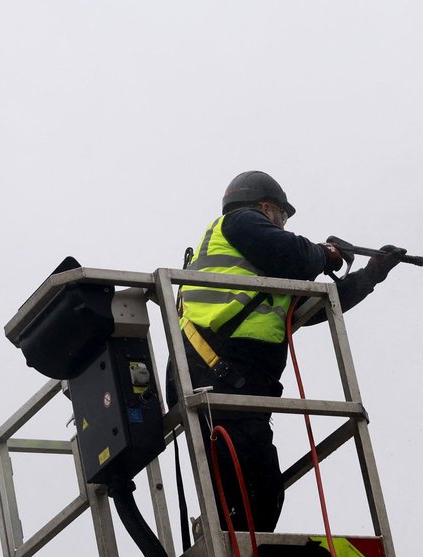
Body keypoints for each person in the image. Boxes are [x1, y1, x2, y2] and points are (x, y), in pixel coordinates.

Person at [171, 170, 404, 533]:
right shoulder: (240, 221)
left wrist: (372, 275)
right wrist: (326, 255)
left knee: (253, 490)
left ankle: (224, 542)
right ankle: (233, 552)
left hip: (232, 381)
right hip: (219, 374)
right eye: (282, 216)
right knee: (258, 491)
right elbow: (293, 253)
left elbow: (315, 307)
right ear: (266, 208)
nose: (282, 224)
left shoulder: (257, 269)